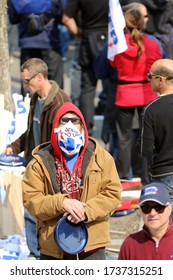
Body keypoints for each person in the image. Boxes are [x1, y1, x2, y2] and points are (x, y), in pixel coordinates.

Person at [22, 102, 122, 260]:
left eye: (75, 121)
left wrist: (86, 211)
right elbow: (32, 201)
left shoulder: (101, 158)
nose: (69, 125)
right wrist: (61, 203)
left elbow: (112, 194)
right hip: (54, 247)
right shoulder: (39, 163)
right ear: (55, 126)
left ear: (83, 126)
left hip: (92, 245)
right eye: (64, 120)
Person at [2, 58, 71, 259]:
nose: (24, 85)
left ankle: (53, 256)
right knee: (31, 210)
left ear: (40, 77)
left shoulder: (60, 103)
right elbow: (31, 131)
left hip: (51, 170)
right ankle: (35, 254)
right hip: (36, 167)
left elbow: (65, 144)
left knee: (50, 214)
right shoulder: (35, 99)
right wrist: (14, 147)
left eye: (27, 81)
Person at [109, 8, 162, 183]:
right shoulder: (153, 44)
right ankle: (146, 177)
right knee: (147, 137)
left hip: (124, 94)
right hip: (146, 94)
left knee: (123, 138)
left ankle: (124, 178)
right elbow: (155, 67)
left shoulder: (119, 44)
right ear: (143, 22)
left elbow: (113, 64)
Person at [62, 0, 108, 135]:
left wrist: (79, 34)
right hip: (110, 43)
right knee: (111, 87)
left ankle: (87, 128)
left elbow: (66, 18)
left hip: (88, 41)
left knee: (88, 87)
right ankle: (109, 130)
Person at [136, 58, 173, 218]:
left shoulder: (151, 110)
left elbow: (145, 149)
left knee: (166, 228)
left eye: (150, 76)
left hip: (163, 174)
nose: (148, 79)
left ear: (161, 80)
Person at [8, 0, 67, 97]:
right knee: (55, 84)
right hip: (49, 42)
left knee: (29, 83)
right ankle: (54, 109)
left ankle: (29, 110)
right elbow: (63, 15)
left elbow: (13, 18)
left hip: (27, 43)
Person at [118, 182, 173, 260]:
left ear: (169, 209)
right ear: (140, 211)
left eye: (158, 207)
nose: (153, 213)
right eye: (146, 208)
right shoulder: (130, 244)